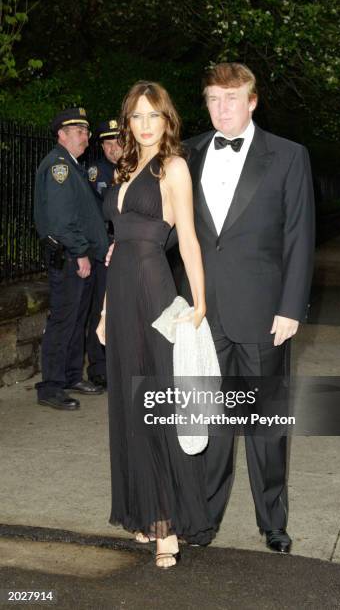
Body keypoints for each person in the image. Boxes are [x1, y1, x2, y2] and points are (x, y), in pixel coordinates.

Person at [182, 63, 315, 553]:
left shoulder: (287, 155)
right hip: (204, 313)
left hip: (264, 314)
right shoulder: (188, 152)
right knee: (210, 424)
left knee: (266, 427)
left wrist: (291, 307)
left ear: (253, 101)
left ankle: (273, 521)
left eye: (232, 98)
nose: (222, 109)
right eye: (214, 98)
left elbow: (300, 236)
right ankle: (204, 519)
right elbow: (173, 223)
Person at [96, 81, 215, 568]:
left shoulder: (174, 166)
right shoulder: (125, 166)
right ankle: (145, 513)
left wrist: (201, 301)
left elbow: (187, 237)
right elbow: (116, 247)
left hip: (152, 290)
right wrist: (104, 311)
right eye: (136, 117)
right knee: (129, 401)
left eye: (153, 116)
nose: (144, 125)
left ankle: (168, 525)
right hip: (120, 292)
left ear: (167, 119)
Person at [34, 108, 109, 411]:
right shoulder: (59, 167)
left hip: (78, 255)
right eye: (79, 131)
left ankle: (70, 375)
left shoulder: (72, 165)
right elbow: (63, 219)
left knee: (77, 320)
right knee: (64, 321)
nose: (86, 137)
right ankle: (51, 385)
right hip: (69, 257)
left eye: (86, 131)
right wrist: (80, 253)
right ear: (61, 135)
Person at [86, 120, 122, 388]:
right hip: (104, 249)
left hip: (127, 247)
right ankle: (99, 368)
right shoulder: (97, 171)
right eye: (107, 143)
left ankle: (118, 364)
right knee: (101, 308)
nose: (113, 148)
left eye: (118, 142)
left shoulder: (132, 169)